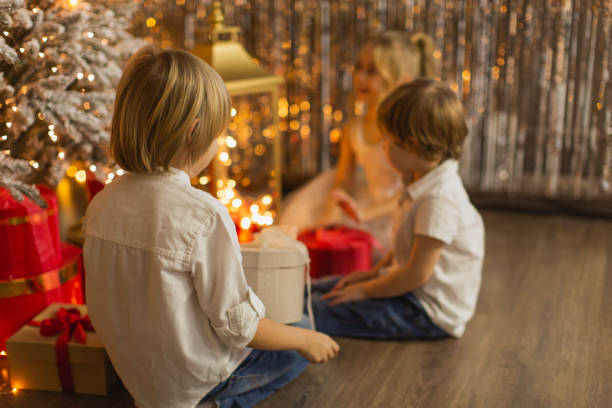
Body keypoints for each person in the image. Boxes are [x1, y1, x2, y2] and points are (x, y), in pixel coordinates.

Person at [83, 46, 338, 408]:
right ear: (194, 132)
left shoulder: (101, 204)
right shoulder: (204, 215)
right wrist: (303, 341)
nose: (217, 145)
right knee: (303, 334)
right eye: (217, 134)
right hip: (200, 381)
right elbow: (240, 328)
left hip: (139, 380)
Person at [310, 78, 485, 340]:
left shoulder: (438, 201)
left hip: (425, 311)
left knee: (318, 310)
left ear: (412, 143)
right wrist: (372, 274)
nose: (383, 147)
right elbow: (407, 244)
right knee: (321, 287)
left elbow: (416, 275)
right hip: (408, 289)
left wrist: (366, 290)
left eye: (387, 141)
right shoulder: (420, 180)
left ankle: (281, 319)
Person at [280, 31, 434, 251]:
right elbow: (344, 180)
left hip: (399, 208)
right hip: (366, 200)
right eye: (359, 68)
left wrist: (366, 215)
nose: (360, 77)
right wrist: (337, 204)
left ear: (403, 79)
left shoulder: (409, 129)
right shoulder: (354, 129)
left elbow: (413, 191)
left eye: (372, 71)